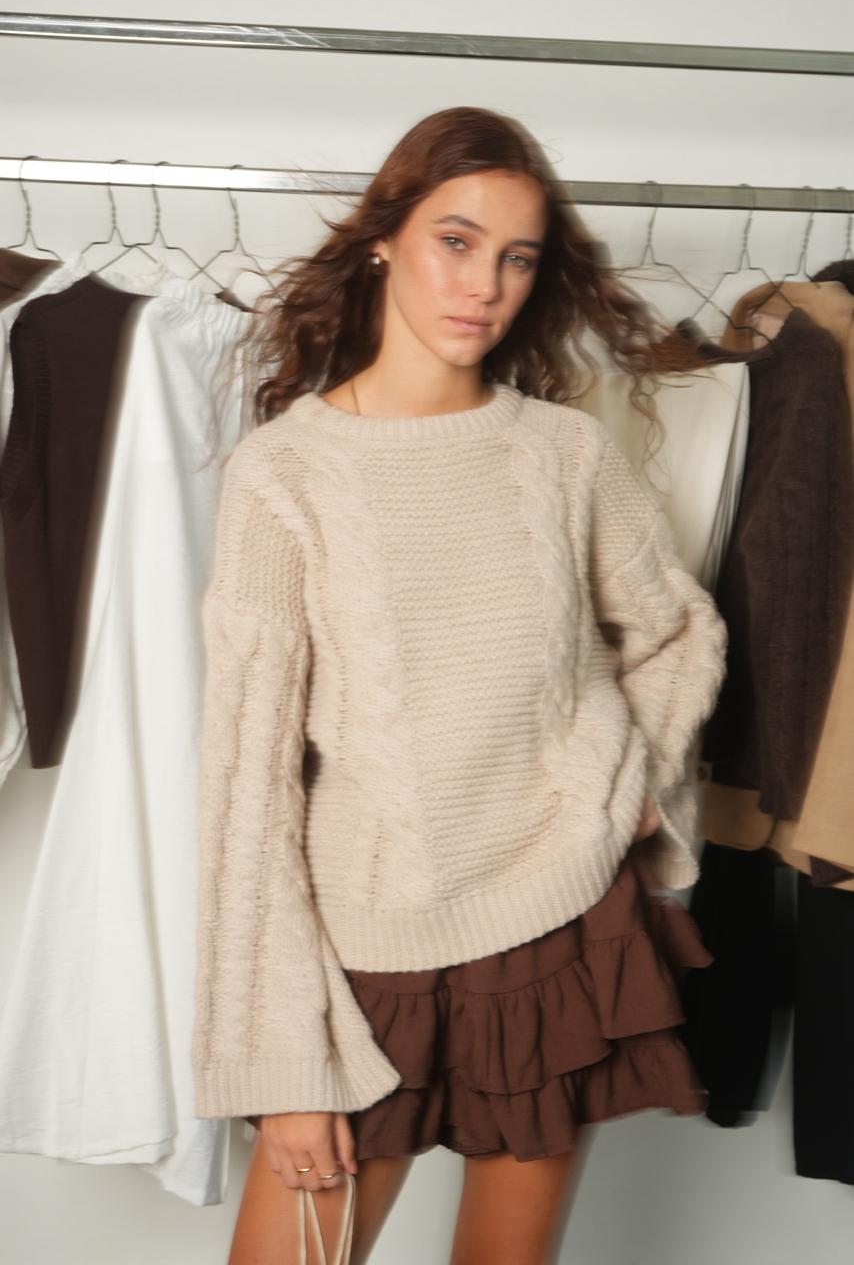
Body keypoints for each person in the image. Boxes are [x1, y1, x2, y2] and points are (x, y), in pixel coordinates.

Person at [191, 106, 728, 1265]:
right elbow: (246, 783)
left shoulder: (563, 454)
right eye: (455, 240)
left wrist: (629, 784)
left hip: (559, 919)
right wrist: (284, 1059)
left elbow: (675, 628)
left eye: (516, 257)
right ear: (384, 238)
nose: (483, 284)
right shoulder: (283, 473)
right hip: (367, 946)